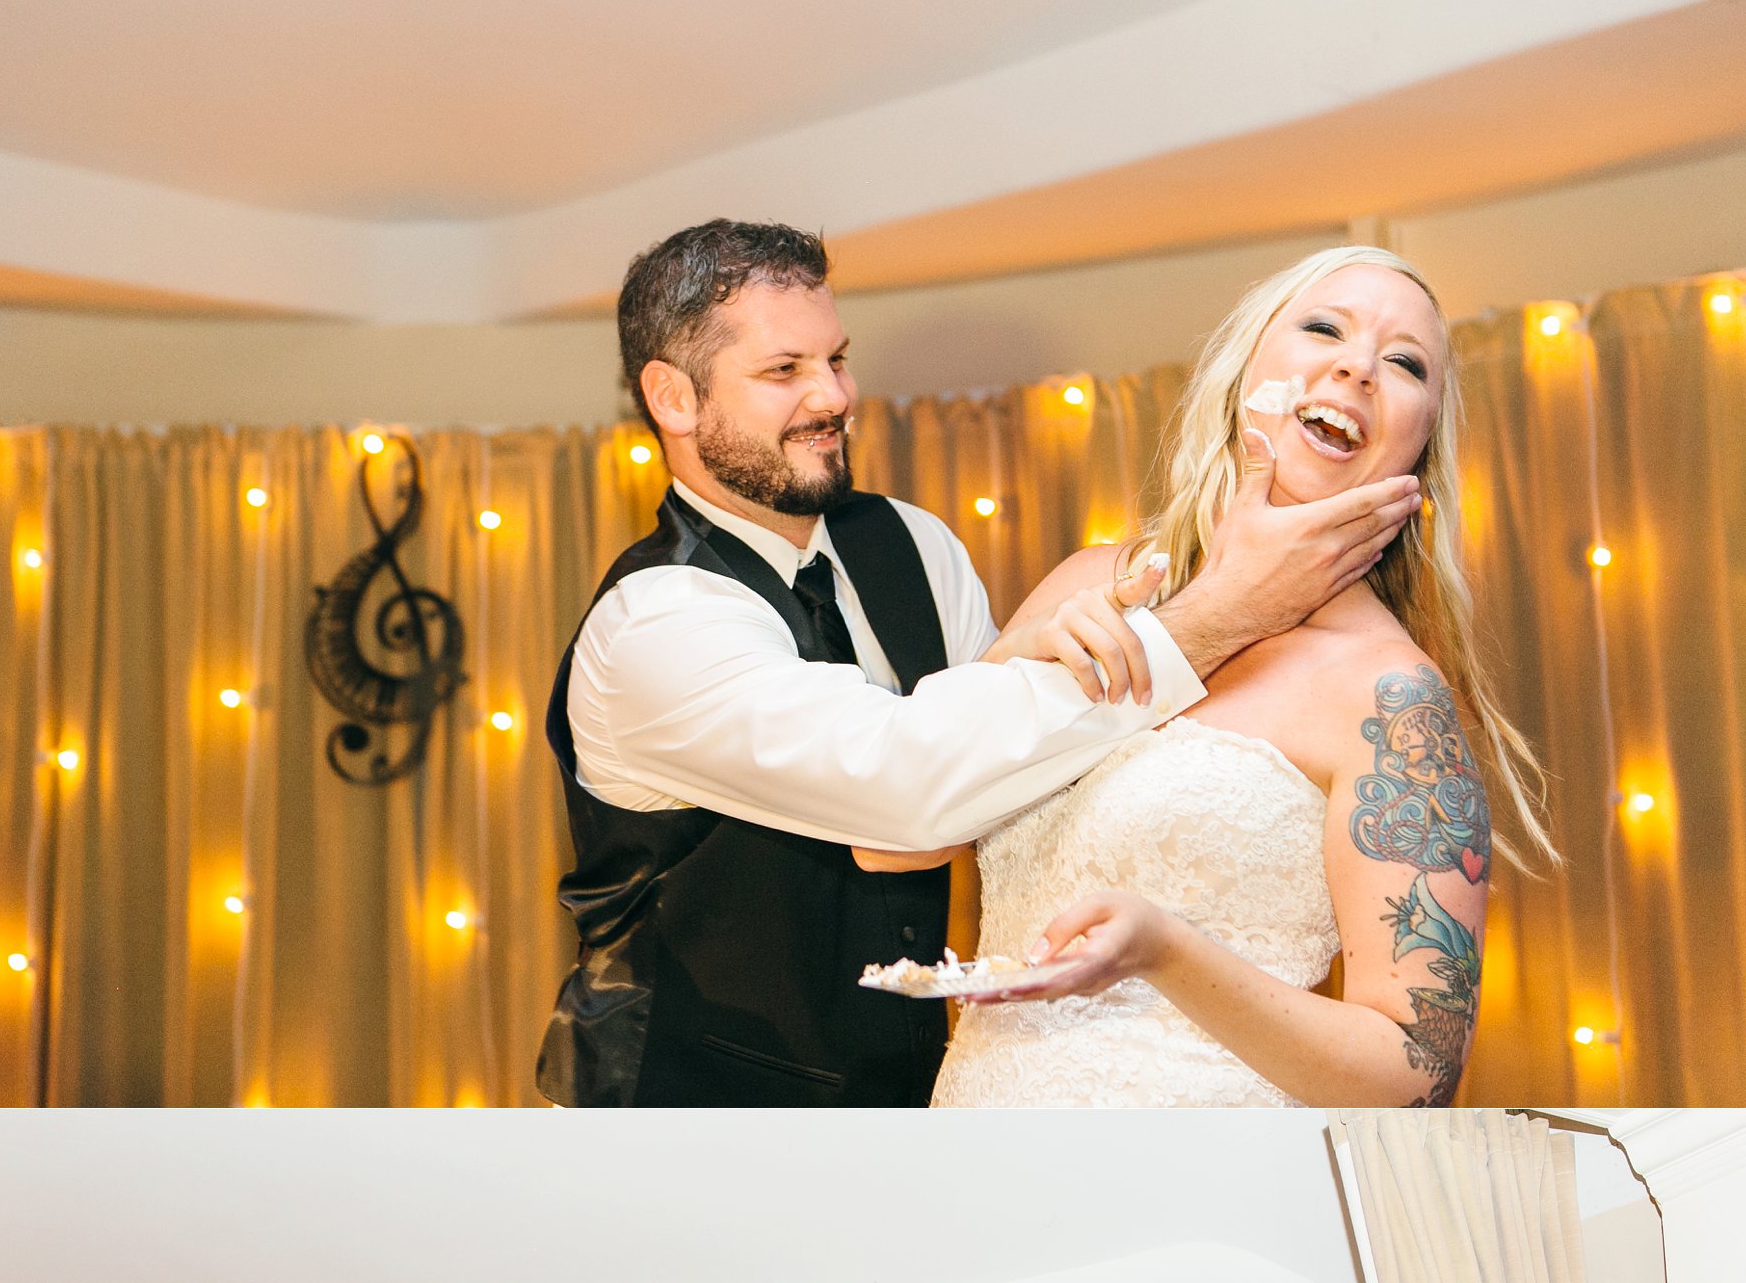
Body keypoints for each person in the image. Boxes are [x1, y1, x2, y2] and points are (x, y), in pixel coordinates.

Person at [536, 218, 1423, 1108]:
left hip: (933, 1102)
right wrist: (1220, 617)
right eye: (784, 371)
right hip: (683, 1123)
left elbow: (996, 777)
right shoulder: (653, 624)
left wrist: (1017, 660)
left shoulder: (914, 548)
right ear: (673, 397)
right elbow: (904, 798)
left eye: (836, 359)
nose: (834, 396)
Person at [919, 246, 1557, 1108]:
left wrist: (1167, 951)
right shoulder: (1087, 587)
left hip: (1202, 1176)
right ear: (1243, 370)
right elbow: (893, 845)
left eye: (1404, 363)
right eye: (1324, 326)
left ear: (1418, 448)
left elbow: (1418, 1074)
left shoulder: (1390, 696)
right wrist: (1005, 668)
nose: (1357, 366)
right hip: (978, 1145)